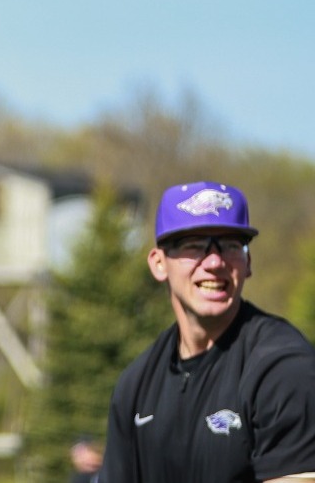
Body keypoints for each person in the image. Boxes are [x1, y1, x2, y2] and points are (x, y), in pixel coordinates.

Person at [101, 181, 315, 483]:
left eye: (230, 245)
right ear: (159, 263)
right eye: (194, 245)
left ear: (248, 263)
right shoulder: (136, 384)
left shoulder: (284, 369)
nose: (214, 262)